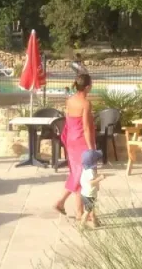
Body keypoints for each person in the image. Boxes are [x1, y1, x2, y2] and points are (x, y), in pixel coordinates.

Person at [54, 73, 96, 219]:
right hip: (81, 142)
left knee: (77, 173)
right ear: (88, 87)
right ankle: (66, 204)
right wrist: (91, 148)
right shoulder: (85, 103)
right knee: (84, 176)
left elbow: (68, 119)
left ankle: (77, 211)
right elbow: (86, 128)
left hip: (71, 140)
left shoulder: (70, 100)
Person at [79, 149, 106, 228]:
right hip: (89, 195)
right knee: (87, 211)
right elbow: (91, 183)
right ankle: (82, 225)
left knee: (92, 209)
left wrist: (97, 177)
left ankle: (95, 223)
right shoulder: (90, 171)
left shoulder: (85, 169)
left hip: (85, 193)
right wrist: (100, 178)